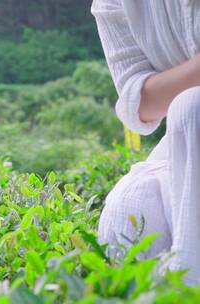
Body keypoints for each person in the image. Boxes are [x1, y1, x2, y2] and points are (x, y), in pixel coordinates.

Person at [92, 0, 200, 284]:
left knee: (193, 105)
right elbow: (139, 101)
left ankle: (187, 286)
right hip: (189, 136)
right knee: (129, 209)